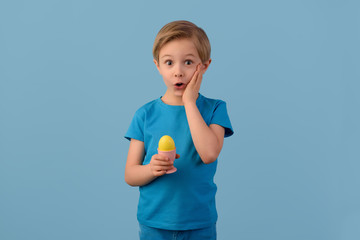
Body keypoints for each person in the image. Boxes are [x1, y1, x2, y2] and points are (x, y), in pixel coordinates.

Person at [124, 20, 234, 240]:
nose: (178, 72)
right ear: (157, 65)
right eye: (169, 63)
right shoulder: (145, 114)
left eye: (188, 62)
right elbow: (130, 175)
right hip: (154, 223)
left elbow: (209, 153)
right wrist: (151, 169)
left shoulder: (215, 109)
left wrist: (190, 103)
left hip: (199, 222)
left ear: (204, 66)